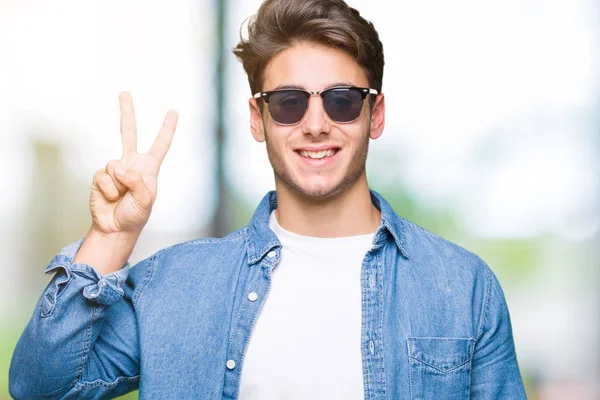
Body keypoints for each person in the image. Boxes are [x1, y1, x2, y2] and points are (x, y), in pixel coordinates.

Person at [9, 0, 527, 398]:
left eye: (343, 100)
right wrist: (110, 238)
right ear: (258, 119)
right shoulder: (174, 286)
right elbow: (40, 388)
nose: (317, 124)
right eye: (289, 102)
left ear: (378, 114)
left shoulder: (462, 287)